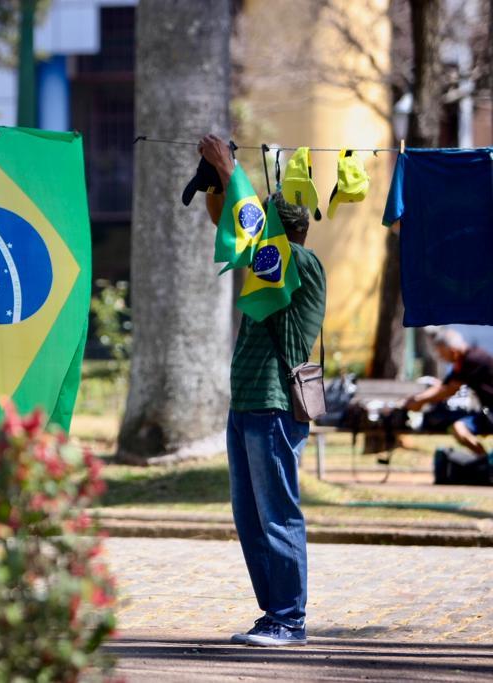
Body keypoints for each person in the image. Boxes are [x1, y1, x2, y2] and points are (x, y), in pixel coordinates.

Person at [199, 134, 327, 647]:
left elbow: (249, 234)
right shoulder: (264, 265)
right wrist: (217, 182)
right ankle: (272, 612)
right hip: (248, 403)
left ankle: (289, 619)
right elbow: (229, 226)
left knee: (277, 513)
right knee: (250, 516)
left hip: (275, 406)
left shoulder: (297, 263)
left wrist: (231, 169)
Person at [404, 328, 493, 457]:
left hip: (490, 413)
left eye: (441, 353)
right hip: (486, 412)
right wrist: (418, 398)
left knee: (459, 428)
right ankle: (486, 463)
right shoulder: (464, 360)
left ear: (453, 350)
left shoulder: (473, 360)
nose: (441, 357)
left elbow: (449, 390)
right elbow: (445, 386)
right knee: (459, 429)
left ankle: (487, 464)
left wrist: (420, 401)